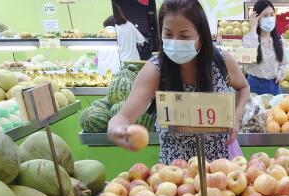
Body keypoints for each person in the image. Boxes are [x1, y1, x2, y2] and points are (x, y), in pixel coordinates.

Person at [107, 0, 250, 163]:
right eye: (168, 34)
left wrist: (237, 118)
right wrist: (118, 131)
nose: (175, 41)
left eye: (184, 35)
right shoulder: (155, 70)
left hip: (220, 170)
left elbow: (244, 87)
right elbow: (122, 118)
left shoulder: (221, 61)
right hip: (175, 177)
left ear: (200, 36)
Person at [243, 0, 287, 95]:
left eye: (272, 15)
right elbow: (249, 58)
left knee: (276, 110)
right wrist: (253, 28)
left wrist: (280, 73)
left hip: (274, 85)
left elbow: (283, 64)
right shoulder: (248, 38)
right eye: (265, 15)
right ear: (257, 18)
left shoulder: (279, 40)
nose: (270, 18)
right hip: (254, 85)